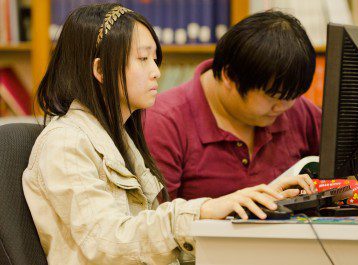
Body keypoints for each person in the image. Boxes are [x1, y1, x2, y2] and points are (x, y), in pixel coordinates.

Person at [22, 4, 316, 265]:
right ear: (100, 69)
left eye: (155, 59)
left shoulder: (120, 139)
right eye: (143, 59)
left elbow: (154, 245)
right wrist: (203, 210)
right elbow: (107, 243)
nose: (156, 72)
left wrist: (246, 208)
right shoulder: (66, 143)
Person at [143, 10, 322, 200]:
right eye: (273, 96)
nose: (283, 107)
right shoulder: (164, 122)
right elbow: (156, 221)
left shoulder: (297, 110)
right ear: (230, 76)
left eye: (293, 96)